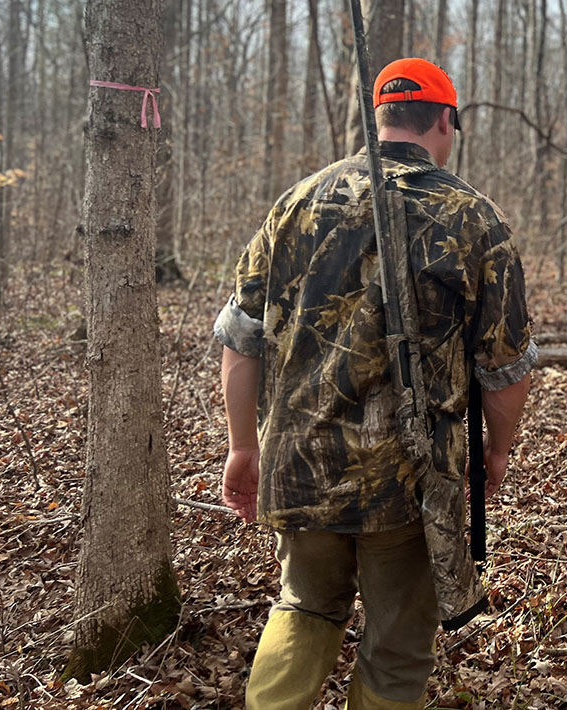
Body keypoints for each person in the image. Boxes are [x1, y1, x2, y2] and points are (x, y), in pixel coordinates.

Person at [214, 57, 537, 710]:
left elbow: (241, 339)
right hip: (409, 479)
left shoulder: (297, 203)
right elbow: (505, 368)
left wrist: (243, 446)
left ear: (380, 117)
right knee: (396, 645)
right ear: (445, 122)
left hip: (301, 465)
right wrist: (496, 452)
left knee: (304, 606)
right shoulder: (473, 219)